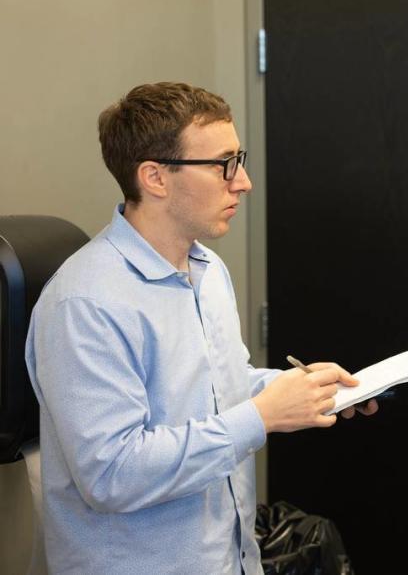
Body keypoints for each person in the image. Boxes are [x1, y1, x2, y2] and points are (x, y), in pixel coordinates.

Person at [25, 82, 376, 574]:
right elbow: (111, 474)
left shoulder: (207, 268)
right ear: (155, 177)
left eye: (240, 159)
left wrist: (298, 389)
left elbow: (214, 388)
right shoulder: (85, 303)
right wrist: (261, 416)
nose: (243, 182)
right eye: (223, 165)